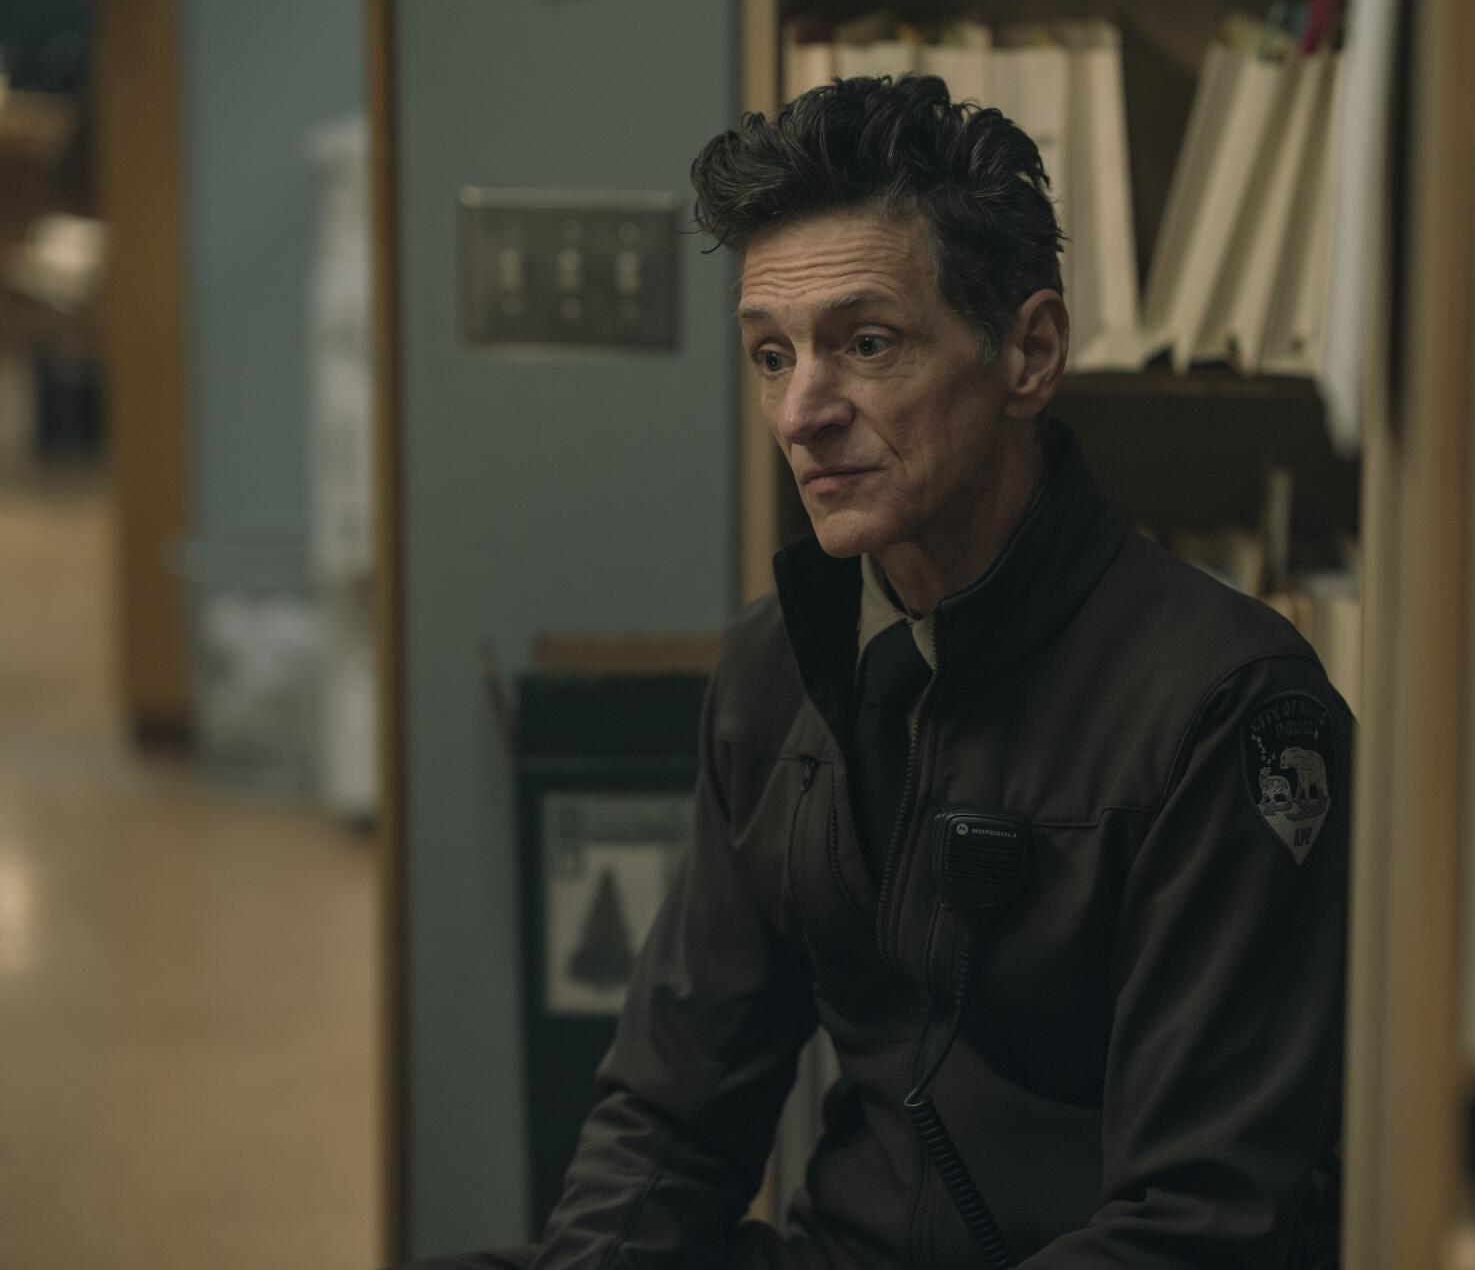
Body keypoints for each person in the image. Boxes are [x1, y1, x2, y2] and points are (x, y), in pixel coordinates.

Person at [404, 73, 1351, 1270]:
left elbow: (1201, 1226)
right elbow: (670, 1112)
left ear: (1029, 353)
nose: (802, 409)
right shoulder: (774, 666)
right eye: (767, 354)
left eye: (865, 343)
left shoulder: (1228, 706)